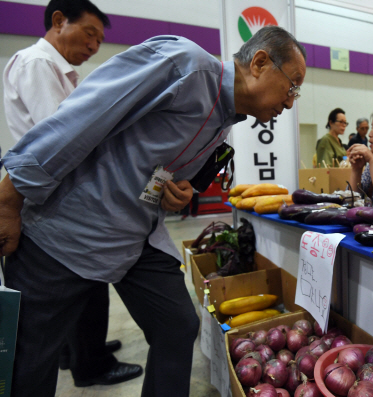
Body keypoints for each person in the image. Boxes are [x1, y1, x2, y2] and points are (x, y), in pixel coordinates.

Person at [0, 25, 306, 397]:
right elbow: (81, 118)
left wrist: (174, 193)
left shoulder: (221, 123)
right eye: (292, 86)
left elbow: (153, 167)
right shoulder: (184, 65)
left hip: (134, 236)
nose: (291, 102)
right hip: (68, 231)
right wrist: (9, 198)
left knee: (177, 325)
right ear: (259, 62)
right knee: (30, 362)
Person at [2, 0, 142, 388]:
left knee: (79, 294)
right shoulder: (38, 65)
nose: (95, 46)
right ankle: (90, 364)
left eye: (99, 39)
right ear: (59, 21)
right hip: (57, 199)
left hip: (58, 195)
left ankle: (79, 351)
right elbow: (63, 136)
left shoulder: (59, 70)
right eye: (90, 34)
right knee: (85, 288)